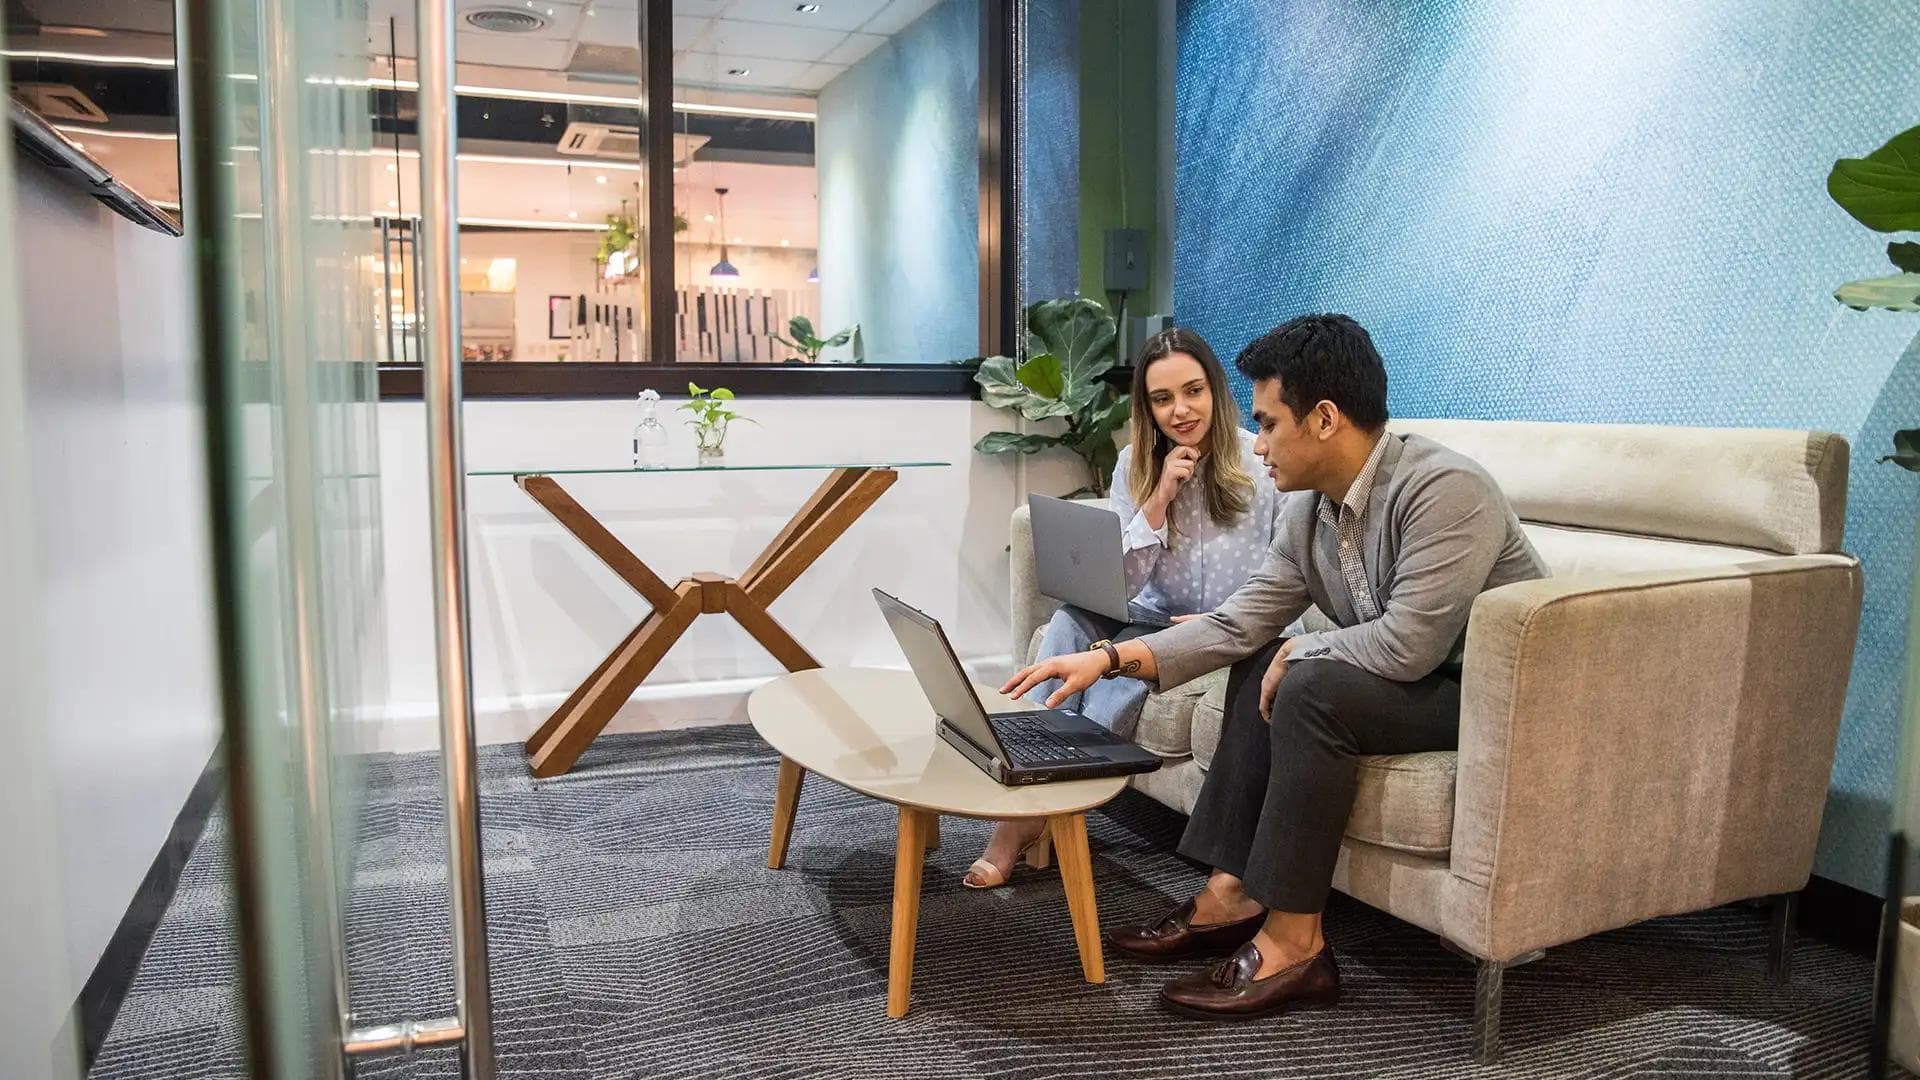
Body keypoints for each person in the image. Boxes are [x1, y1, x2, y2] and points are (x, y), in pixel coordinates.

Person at [1003, 313, 1548, 1019]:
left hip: (1481, 694)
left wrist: (1307, 647)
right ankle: (1233, 890)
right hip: (1406, 683)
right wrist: (1109, 658)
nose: (1255, 445)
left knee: (1307, 678)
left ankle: (1297, 944)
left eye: (1266, 423)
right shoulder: (1309, 510)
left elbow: (1412, 646)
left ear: (1324, 419)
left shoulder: (1444, 490)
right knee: (1266, 652)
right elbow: (1239, 623)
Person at [965, 327, 1281, 889]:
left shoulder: (1264, 468)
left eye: (1193, 391)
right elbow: (1126, 583)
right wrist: (1158, 497)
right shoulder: (1135, 462)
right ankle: (1031, 780)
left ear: (1216, 390)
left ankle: (1027, 821)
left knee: (1112, 672)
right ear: (1147, 406)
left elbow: (1282, 578)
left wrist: (1219, 622)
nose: (1180, 410)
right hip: (1150, 614)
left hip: (1221, 629)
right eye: (1163, 399)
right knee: (1070, 620)